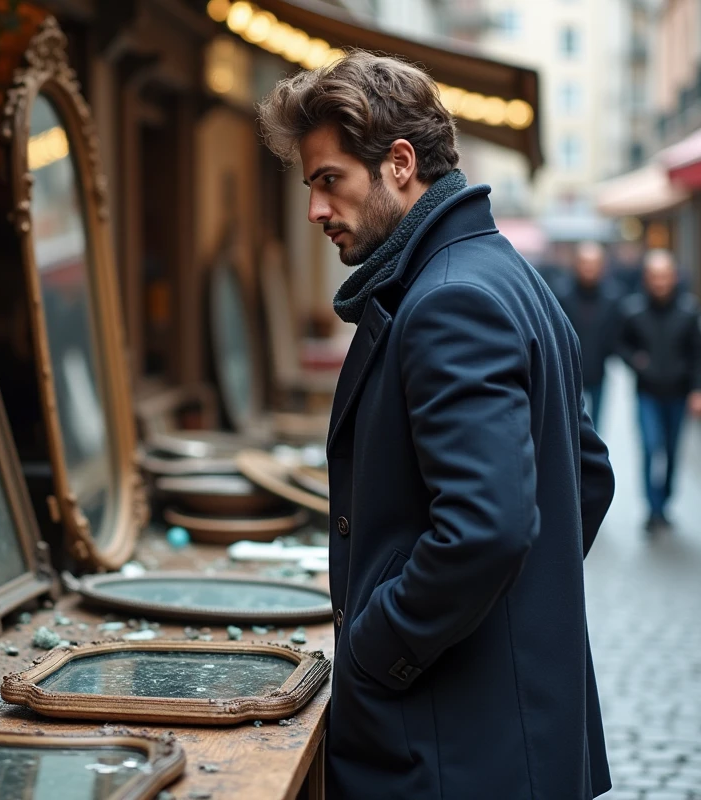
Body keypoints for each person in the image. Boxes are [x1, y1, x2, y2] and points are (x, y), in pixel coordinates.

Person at [258, 51, 615, 799]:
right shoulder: (498, 270)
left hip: (450, 749)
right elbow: (586, 475)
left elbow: (488, 527)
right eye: (311, 186)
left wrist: (379, 645)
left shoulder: (450, 298)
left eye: (330, 181)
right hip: (496, 733)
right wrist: (515, 609)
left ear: (398, 163)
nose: (316, 210)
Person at [616, 249, 701, 532]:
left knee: (670, 451)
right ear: (647, 278)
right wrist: (635, 361)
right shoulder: (633, 310)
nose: (660, 282)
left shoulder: (689, 311)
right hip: (647, 392)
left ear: (674, 277)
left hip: (678, 393)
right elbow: (621, 344)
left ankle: (665, 500)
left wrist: (699, 390)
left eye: (665, 276)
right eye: (655, 276)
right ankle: (652, 509)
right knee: (649, 446)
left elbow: (699, 355)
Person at [555, 240, 623, 427]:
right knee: (568, 424)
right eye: (584, 263)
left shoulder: (613, 296)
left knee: (596, 426)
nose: (589, 269)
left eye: (594, 264)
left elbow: (618, 333)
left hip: (599, 370)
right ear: (576, 264)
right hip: (567, 371)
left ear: (602, 266)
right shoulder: (561, 294)